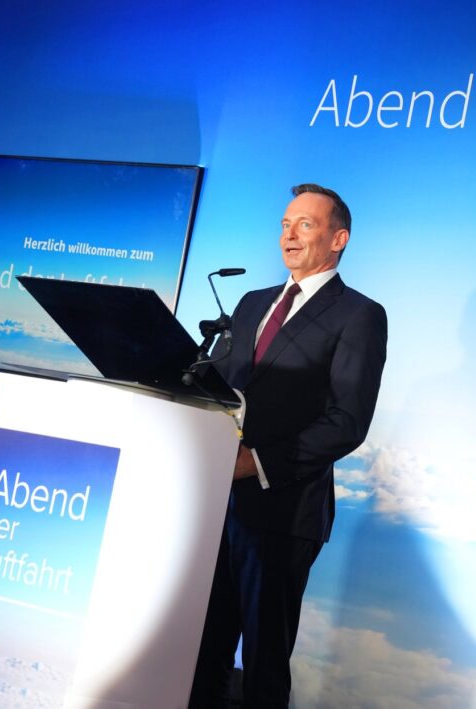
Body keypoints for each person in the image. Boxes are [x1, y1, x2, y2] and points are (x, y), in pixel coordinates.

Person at [189, 184, 388, 708]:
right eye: (284, 224)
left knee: (263, 666)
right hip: (216, 506)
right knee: (201, 653)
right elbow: (224, 388)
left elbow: (347, 422)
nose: (289, 235)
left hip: (284, 511)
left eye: (305, 224)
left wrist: (253, 463)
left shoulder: (359, 315)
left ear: (338, 239)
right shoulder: (251, 303)